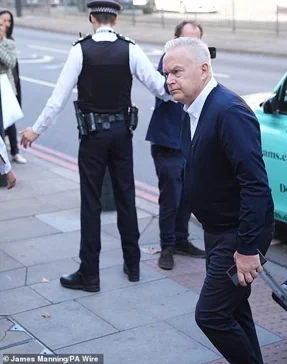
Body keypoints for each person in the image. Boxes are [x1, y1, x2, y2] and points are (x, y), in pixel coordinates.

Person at [20, 0, 174, 293]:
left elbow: (58, 97)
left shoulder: (80, 49)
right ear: (115, 21)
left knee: (90, 202)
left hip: (91, 136)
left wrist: (35, 130)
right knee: (126, 196)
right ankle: (133, 265)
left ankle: (89, 273)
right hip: (121, 134)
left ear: (91, 18)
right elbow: (160, 87)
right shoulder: (130, 48)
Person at [163, 37, 275, 364]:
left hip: (237, 235)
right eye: (167, 73)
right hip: (218, 229)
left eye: (177, 72)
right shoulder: (194, 108)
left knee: (210, 314)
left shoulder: (229, 111)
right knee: (234, 308)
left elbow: (255, 185)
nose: (170, 80)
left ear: (203, 69)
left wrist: (248, 249)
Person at [146, 21, 205, 271]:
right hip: (167, 141)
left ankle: (181, 240)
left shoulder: (200, 66)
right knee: (171, 197)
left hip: (190, 142)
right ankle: (167, 246)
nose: (192, 46)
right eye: (186, 40)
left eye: (197, 41)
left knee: (188, 196)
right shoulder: (169, 64)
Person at [0, 10, 26, 164]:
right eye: (2, 22)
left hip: (6, 85)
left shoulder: (9, 43)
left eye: (7, 22)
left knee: (9, 120)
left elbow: (10, 63)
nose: (4, 26)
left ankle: (14, 152)